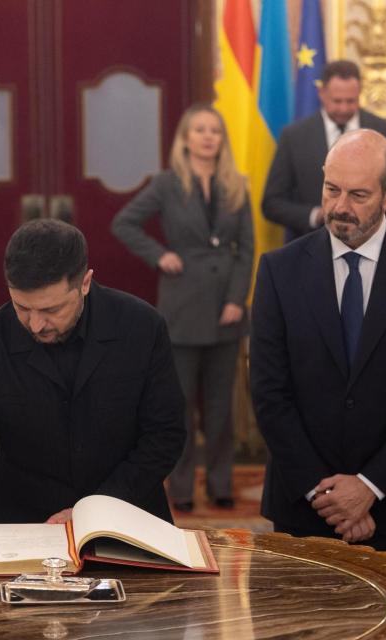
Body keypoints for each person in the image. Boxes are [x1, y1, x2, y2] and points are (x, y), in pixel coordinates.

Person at [250, 129, 386, 564]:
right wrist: (324, 492)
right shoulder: (278, 270)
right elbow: (270, 392)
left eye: (359, 194)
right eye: (332, 190)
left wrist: (369, 486)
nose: (340, 207)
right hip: (305, 508)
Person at [0, 219, 186, 527]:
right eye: (22, 307)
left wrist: (97, 508)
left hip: (129, 514)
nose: (36, 324)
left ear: (85, 283)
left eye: (51, 310)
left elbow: (165, 436)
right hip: (30, 525)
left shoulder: (141, 327)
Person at [112, 104, 254, 512]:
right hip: (182, 308)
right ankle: (181, 488)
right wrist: (159, 255)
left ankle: (221, 481)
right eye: (200, 130)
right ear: (186, 138)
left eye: (215, 130)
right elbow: (124, 223)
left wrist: (235, 299)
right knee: (180, 407)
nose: (209, 136)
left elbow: (247, 248)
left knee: (221, 407)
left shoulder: (236, 184)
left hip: (226, 309)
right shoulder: (167, 183)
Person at [262, 60, 386, 242]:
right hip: (310, 247)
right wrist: (316, 215)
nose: (344, 108)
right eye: (337, 101)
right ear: (322, 94)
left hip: (375, 243)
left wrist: (370, 217)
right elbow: (272, 203)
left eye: (351, 101)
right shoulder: (294, 136)